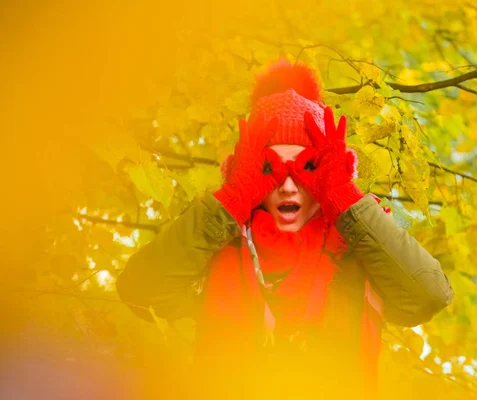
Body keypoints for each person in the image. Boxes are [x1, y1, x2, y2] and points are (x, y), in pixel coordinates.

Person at [116, 59, 454, 399]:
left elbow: (428, 296)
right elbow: (141, 290)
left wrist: (345, 199)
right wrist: (231, 201)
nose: (289, 186)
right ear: (247, 172)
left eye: (306, 169)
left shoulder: (361, 251)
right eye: (271, 168)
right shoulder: (217, 246)